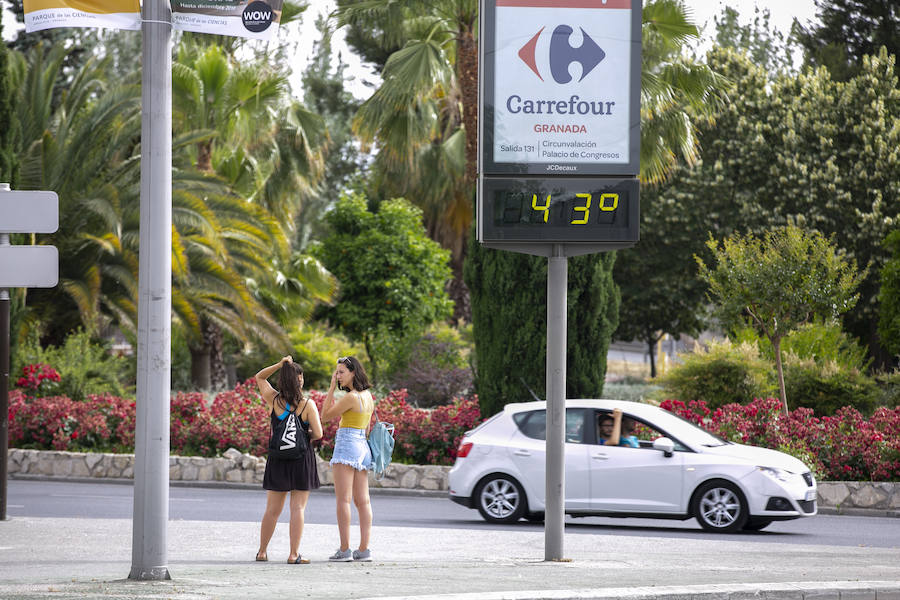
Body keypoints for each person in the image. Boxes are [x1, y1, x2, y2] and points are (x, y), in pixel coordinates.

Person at [254, 355, 323, 564]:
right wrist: (303, 435)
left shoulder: (274, 400)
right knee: (298, 508)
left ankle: (262, 552)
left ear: (282, 381)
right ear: (300, 380)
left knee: (272, 510)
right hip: (301, 459)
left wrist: (280, 364)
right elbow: (318, 433)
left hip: (278, 460)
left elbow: (259, 377)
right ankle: (293, 555)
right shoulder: (307, 405)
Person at [321, 356, 375, 562]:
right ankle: (364, 550)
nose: (338, 376)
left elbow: (325, 416)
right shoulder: (368, 396)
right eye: (337, 372)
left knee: (343, 499)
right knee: (363, 501)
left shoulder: (351, 397)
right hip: (363, 445)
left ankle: (344, 550)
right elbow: (368, 427)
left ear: (353, 372)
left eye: (342, 372)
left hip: (347, 443)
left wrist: (331, 388)